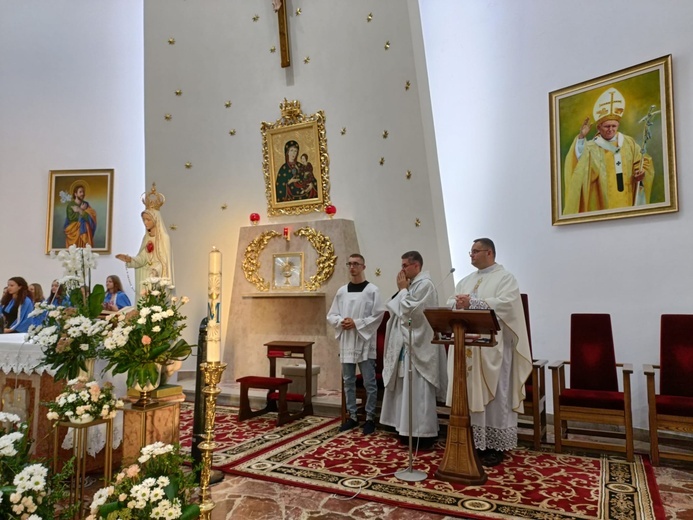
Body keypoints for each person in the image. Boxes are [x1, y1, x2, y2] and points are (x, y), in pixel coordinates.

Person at [445, 238, 532, 467]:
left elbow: (507, 305)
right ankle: (471, 440)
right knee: (470, 393)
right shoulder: (465, 280)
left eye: (475, 251)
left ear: (489, 252)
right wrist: (459, 304)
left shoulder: (505, 278)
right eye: (470, 252)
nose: (471, 255)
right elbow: (450, 302)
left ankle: (494, 447)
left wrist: (472, 302)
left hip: (492, 349)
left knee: (495, 397)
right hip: (467, 347)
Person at [380, 251, 447, 449]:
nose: (401, 270)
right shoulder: (414, 285)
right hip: (407, 345)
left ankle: (422, 434)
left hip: (419, 346)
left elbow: (412, 314)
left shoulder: (425, 285)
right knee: (405, 389)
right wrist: (403, 290)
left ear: (416, 266)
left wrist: (402, 290)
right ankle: (405, 429)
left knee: (418, 391)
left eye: (405, 266)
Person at [563, 87, 655, 214]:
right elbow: (579, 165)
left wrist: (641, 172)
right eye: (607, 126)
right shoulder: (592, 147)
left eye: (614, 126)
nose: (611, 129)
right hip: (601, 203)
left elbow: (643, 161)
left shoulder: (629, 143)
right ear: (599, 127)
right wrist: (581, 138)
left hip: (627, 199)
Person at [327, 254, 385, 435]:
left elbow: (378, 315)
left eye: (356, 264)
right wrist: (341, 321)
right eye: (350, 264)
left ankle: (369, 418)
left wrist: (357, 323)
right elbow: (332, 314)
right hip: (347, 340)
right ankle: (352, 416)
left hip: (364, 340)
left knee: (369, 382)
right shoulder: (342, 291)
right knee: (348, 381)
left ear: (363, 266)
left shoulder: (372, 290)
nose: (352, 267)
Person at [116, 185, 173, 297]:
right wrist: (130, 259)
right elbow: (143, 258)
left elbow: (165, 263)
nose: (145, 222)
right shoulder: (146, 238)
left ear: (155, 220)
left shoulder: (164, 238)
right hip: (145, 278)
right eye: (143, 220)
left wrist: (156, 270)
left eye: (148, 220)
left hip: (157, 279)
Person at [64, 183, 97, 247]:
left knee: (86, 224)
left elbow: (89, 218)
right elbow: (71, 219)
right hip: (73, 232)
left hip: (85, 233)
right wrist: (82, 210)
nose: (82, 194)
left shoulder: (86, 204)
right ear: (75, 194)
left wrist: (80, 210)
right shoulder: (70, 205)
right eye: (80, 192)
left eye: (83, 192)